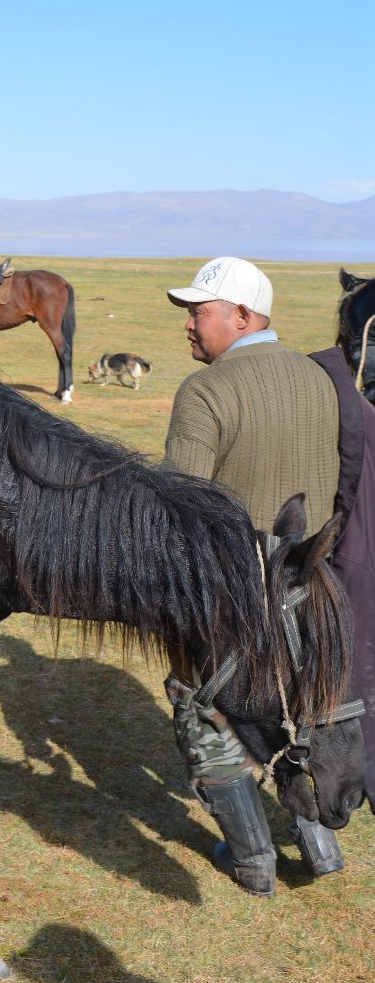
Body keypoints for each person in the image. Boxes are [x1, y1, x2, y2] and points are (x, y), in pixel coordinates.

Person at [162, 256, 368, 895]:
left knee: (201, 711)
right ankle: (319, 844)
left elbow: (182, 504)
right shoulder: (319, 376)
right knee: (298, 712)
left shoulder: (207, 391)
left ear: (243, 316)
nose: (189, 327)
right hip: (313, 584)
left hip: (233, 591)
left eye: (199, 313)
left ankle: (252, 860)